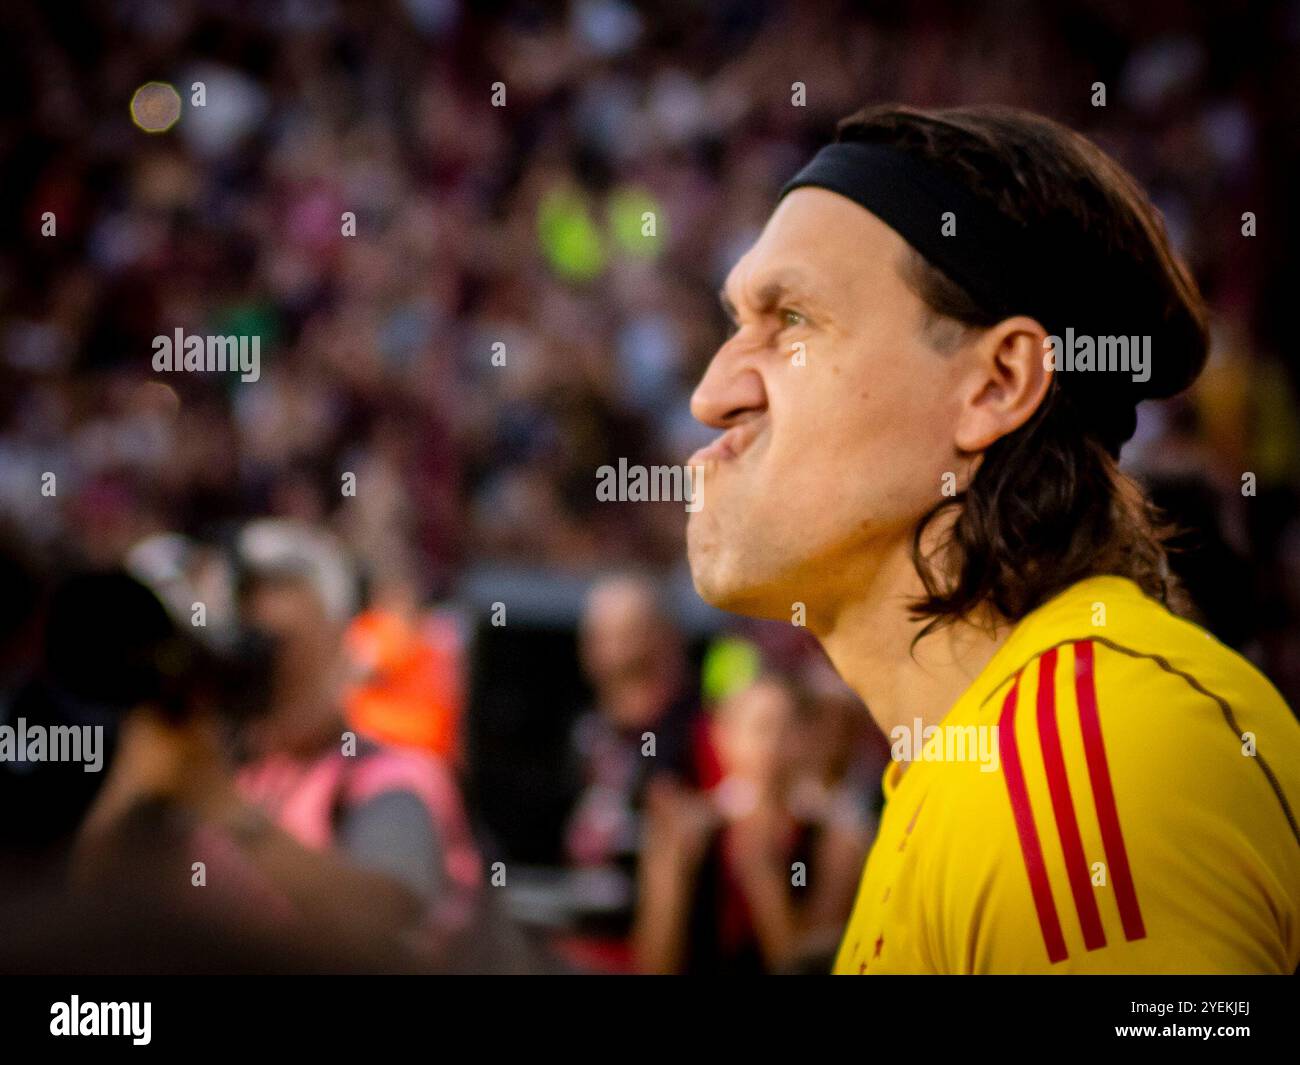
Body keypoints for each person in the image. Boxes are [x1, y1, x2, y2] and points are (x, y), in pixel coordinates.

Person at [683, 104, 1300, 973]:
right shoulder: (977, 764)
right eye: (734, 323)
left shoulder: (1095, 762)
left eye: (792, 322)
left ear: (998, 383)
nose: (712, 394)